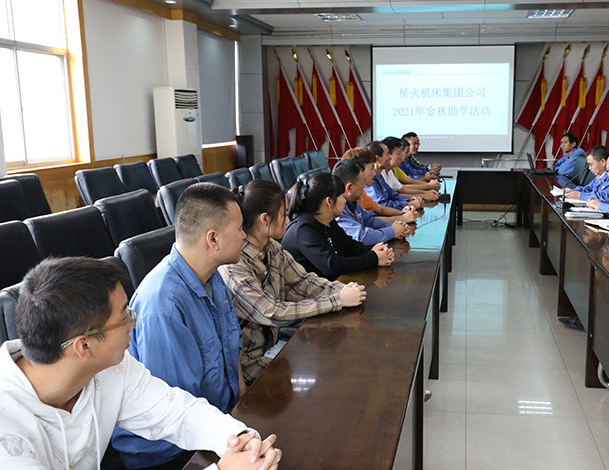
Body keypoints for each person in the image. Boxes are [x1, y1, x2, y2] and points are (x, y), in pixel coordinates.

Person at [0, 257, 280, 470]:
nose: (133, 324)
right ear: (84, 346)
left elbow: (178, 413)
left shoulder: (111, 366)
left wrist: (240, 439)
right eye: (124, 317)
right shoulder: (7, 429)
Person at [112, 183, 251, 469]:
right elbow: (175, 413)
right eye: (239, 229)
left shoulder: (211, 276)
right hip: (169, 451)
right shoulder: (162, 305)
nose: (244, 236)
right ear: (213, 239)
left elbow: (230, 344)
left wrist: (242, 407)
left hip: (217, 422)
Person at [220, 180, 367, 385]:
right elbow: (272, 312)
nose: (288, 220)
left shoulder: (272, 247)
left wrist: (344, 290)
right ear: (265, 219)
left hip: (272, 349)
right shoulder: (234, 265)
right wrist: (337, 300)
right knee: (327, 375)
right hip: (249, 366)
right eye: (284, 215)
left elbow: (303, 282)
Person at [282, 172, 394, 280]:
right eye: (342, 197)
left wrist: (374, 250)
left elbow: (348, 245)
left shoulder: (328, 221)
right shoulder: (303, 230)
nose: (345, 201)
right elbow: (331, 265)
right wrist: (374, 258)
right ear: (329, 201)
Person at [332, 159, 411, 244]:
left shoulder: (353, 202)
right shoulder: (337, 209)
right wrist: (392, 231)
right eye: (362, 182)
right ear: (349, 188)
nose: (364, 186)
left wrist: (396, 227)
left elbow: (369, 221)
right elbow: (361, 237)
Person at [341, 147, 416, 224]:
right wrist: (403, 218)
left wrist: (402, 212)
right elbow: (369, 223)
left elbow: (380, 209)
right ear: (359, 170)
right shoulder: (347, 198)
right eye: (371, 168)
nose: (374, 173)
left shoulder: (362, 193)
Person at [365, 141, 422, 211]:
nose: (390, 157)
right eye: (387, 154)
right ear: (378, 159)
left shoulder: (379, 176)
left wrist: (408, 200)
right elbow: (382, 205)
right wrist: (408, 204)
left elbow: (392, 194)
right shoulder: (370, 179)